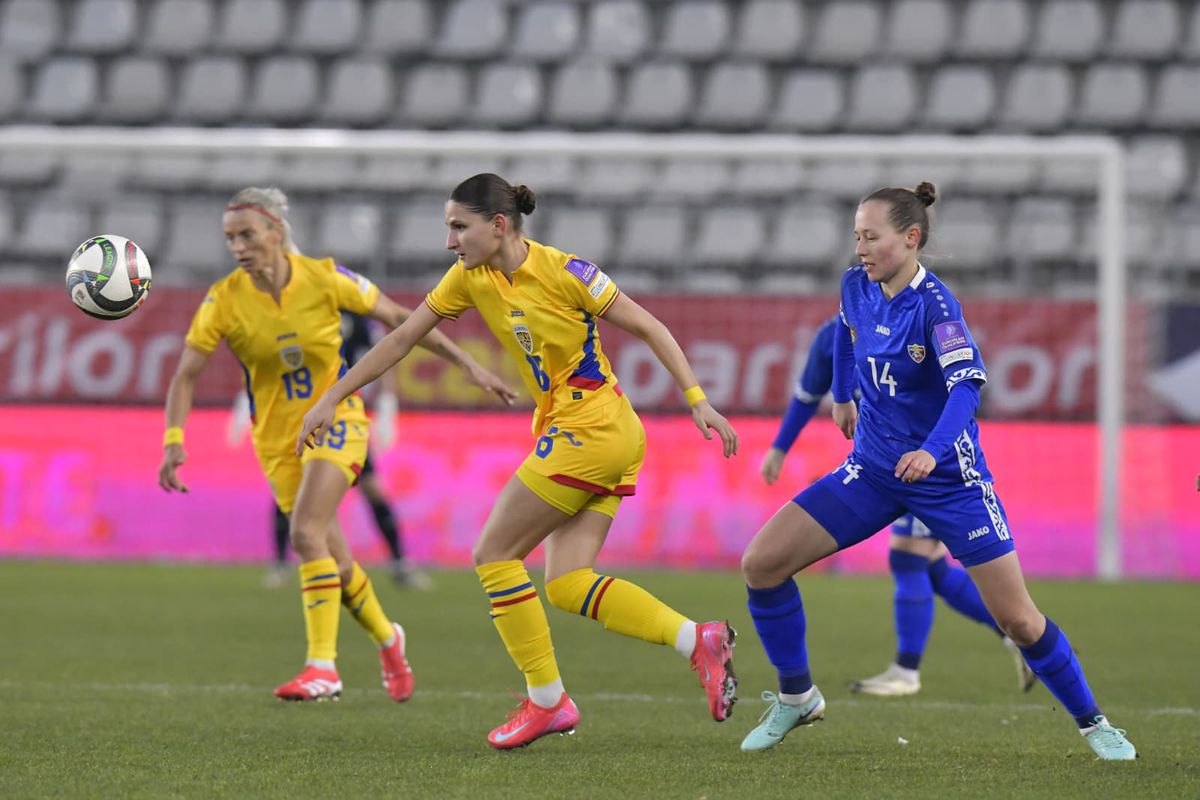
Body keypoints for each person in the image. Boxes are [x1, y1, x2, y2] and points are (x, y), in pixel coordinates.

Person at [297, 173, 741, 749]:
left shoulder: (567, 271)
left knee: (493, 553)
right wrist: (333, 396)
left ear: (499, 225)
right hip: (595, 431)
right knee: (567, 583)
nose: (450, 241)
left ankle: (548, 701)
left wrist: (697, 400)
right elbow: (401, 339)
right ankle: (696, 640)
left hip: (592, 428)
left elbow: (649, 326)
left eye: (460, 227)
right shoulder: (469, 276)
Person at [738, 183, 1136, 760]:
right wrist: (843, 396)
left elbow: (966, 387)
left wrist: (931, 451)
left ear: (910, 238)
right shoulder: (855, 285)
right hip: (873, 471)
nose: (860, 249)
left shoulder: (937, 308)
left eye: (871, 237)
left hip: (949, 481)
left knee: (1020, 621)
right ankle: (797, 697)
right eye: (856, 237)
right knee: (762, 564)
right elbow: (845, 335)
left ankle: (1095, 724)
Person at [158, 187, 515, 702]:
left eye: (247, 235)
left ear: (276, 233)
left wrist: (467, 364)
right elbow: (187, 374)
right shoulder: (223, 300)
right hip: (276, 440)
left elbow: (402, 320)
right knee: (338, 565)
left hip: (336, 420)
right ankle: (389, 639)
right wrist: (174, 439)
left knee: (305, 533)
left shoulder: (326, 278)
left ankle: (321, 666)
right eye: (230, 238)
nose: (238, 247)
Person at [761, 316, 1035, 697]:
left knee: (909, 558)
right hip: (881, 466)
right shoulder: (831, 337)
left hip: (932, 466)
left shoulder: (916, 326)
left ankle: (908, 671)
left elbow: (963, 385)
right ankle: (1024, 636)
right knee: (932, 569)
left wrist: (935, 448)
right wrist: (779, 448)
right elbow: (807, 395)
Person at [246, 312, 433, 591]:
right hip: (303, 413)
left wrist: (387, 405)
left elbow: (389, 350)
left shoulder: (360, 317)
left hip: (345, 416)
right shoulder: (304, 311)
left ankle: (399, 563)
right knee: (291, 486)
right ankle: (281, 563)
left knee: (372, 489)